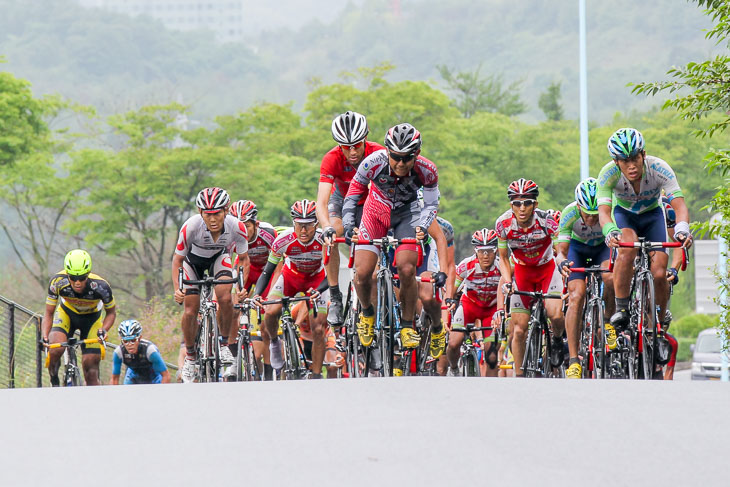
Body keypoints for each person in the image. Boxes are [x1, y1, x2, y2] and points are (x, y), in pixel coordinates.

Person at [342, 123, 447, 358]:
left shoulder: (427, 170)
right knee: (363, 271)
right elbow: (353, 194)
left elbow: (431, 204)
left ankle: (407, 326)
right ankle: (367, 313)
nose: (400, 164)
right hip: (375, 213)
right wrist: (349, 225)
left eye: (406, 158)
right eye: (395, 157)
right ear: (388, 152)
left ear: (416, 154)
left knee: (407, 268)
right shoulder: (373, 162)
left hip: (407, 215)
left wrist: (421, 225)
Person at [598, 128, 692, 334]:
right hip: (625, 216)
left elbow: (680, 206)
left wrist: (682, 230)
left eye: (635, 159)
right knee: (627, 248)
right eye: (624, 161)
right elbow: (603, 213)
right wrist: (611, 231)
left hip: (653, 216)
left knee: (659, 273)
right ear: (616, 162)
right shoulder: (607, 175)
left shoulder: (660, 168)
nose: (631, 166)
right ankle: (622, 308)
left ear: (644, 155)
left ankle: (657, 323)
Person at [172, 187, 251, 383]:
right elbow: (177, 261)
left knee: (225, 298)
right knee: (190, 310)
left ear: (226, 211)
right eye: (208, 214)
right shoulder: (190, 226)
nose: (213, 219)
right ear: (201, 213)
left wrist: (240, 287)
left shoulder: (237, 227)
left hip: (219, 257)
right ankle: (190, 357)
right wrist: (178, 288)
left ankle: (224, 344)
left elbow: (243, 259)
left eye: (217, 213)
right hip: (193, 262)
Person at [318, 111, 385, 326]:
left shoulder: (379, 153)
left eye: (357, 145)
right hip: (341, 199)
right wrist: (326, 226)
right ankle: (336, 296)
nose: (353, 151)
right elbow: (321, 203)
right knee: (331, 234)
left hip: (371, 201)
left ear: (366, 138)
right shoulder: (331, 158)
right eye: (346, 147)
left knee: (371, 271)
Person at [252, 200, 330, 378]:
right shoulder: (283, 240)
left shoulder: (323, 239)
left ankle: (317, 375)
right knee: (270, 312)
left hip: (316, 279)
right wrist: (257, 294)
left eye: (308, 225)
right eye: (299, 225)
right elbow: (267, 271)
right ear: (293, 222)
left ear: (316, 224)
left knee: (318, 328)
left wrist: (320, 289)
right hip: (291, 277)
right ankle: (274, 342)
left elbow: (331, 274)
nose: (303, 231)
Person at [495, 178, 564, 377]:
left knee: (556, 314)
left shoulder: (546, 221)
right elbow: (503, 257)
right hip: (523, 273)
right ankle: (519, 376)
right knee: (517, 330)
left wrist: (562, 262)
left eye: (527, 202)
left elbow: (559, 249)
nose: (522, 207)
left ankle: (558, 339)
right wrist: (508, 281)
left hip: (547, 271)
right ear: (511, 205)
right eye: (517, 203)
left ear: (536, 204)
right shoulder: (503, 224)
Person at [556, 178, 615, 379]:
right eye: (586, 215)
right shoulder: (569, 214)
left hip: (601, 248)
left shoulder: (609, 209)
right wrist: (562, 262)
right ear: (579, 207)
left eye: (594, 215)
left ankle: (607, 321)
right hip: (577, 250)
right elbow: (561, 252)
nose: (591, 220)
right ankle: (573, 360)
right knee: (576, 296)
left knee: (610, 277)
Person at [41, 249, 116, 386]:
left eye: (82, 278)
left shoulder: (101, 286)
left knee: (91, 369)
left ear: (88, 274)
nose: (77, 283)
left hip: (91, 319)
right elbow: (49, 313)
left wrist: (104, 330)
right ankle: (54, 379)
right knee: (55, 348)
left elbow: (111, 313)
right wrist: (45, 335)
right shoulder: (57, 281)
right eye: (73, 278)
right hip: (67, 314)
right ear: (67, 275)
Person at [229, 199, 278, 380]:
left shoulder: (268, 233)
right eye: (238, 227)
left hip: (268, 271)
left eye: (247, 227)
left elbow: (278, 263)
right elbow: (236, 265)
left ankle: (268, 371)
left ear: (256, 224)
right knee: (233, 307)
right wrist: (239, 289)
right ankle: (233, 359)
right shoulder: (231, 237)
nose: (243, 232)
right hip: (246, 269)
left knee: (266, 323)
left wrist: (272, 292)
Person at [446, 229, 504, 377]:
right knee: (453, 343)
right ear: (475, 251)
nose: (485, 255)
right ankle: (453, 368)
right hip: (469, 306)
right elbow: (452, 288)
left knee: (491, 357)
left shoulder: (501, 267)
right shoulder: (466, 265)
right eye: (481, 251)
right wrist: (451, 300)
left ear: (496, 251)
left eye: (490, 251)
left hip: (490, 310)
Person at [111, 319, 170, 385]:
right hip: (133, 375)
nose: (129, 344)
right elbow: (114, 378)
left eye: (133, 340)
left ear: (139, 338)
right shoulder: (119, 352)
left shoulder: (150, 351)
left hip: (153, 376)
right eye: (125, 341)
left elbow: (166, 375)